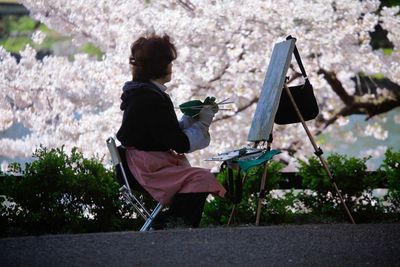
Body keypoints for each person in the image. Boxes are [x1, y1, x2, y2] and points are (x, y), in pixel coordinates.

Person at [116, 34, 226, 229]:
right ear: (161, 66)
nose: (171, 67)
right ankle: (175, 224)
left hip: (138, 163)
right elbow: (180, 144)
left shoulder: (142, 93)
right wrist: (203, 122)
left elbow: (165, 133)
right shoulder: (151, 98)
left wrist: (192, 117)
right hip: (146, 167)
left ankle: (171, 222)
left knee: (195, 176)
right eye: (169, 62)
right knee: (202, 177)